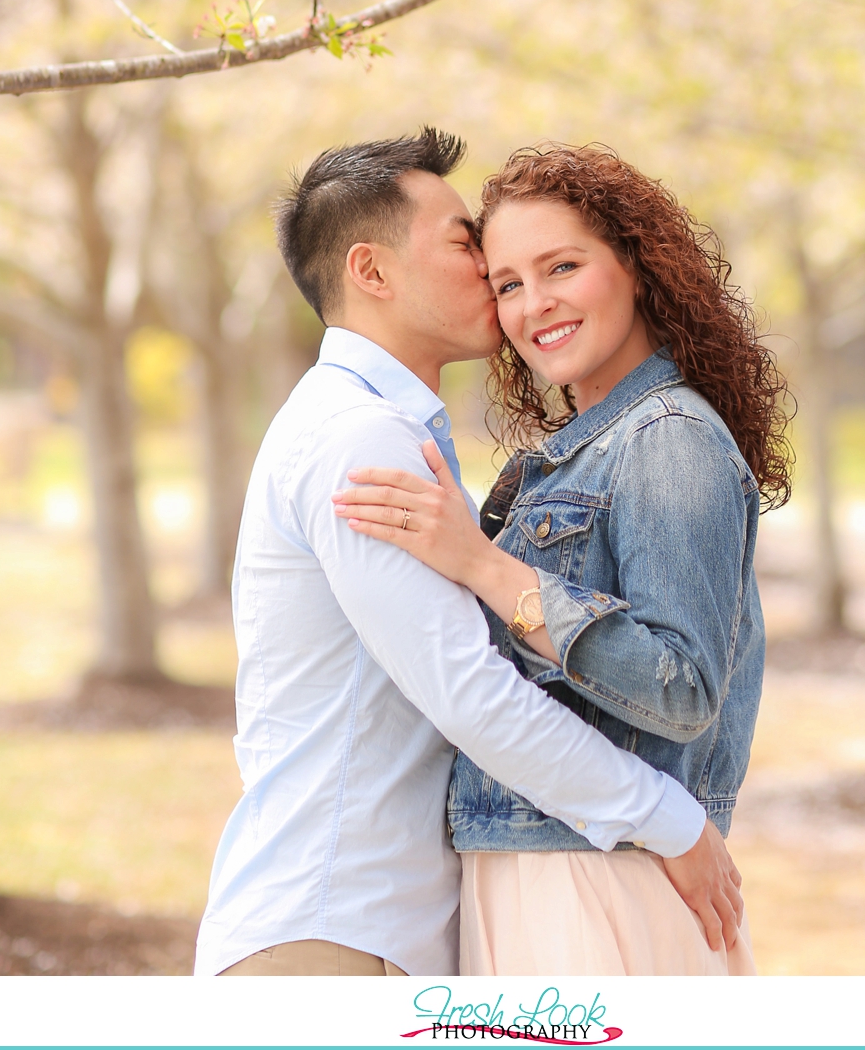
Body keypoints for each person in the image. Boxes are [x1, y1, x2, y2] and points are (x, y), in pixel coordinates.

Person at [194, 129, 744, 978]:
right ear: (372, 273)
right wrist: (668, 819)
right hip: (337, 925)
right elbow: (470, 691)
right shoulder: (360, 440)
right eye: (475, 253)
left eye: (556, 267)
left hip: (393, 918)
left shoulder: (396, 431)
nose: (502, 286)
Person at [335, 142, 792, 976]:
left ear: (637, 264)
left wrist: (485, 566)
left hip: (602, 878)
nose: (534, 304)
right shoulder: (586, 449)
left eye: (562, 267)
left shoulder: (668, 438)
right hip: (547, 862)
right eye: (507, 284)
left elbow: (683, 686)